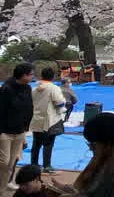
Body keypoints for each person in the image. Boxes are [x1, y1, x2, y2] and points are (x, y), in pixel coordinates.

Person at [0, 63, 36, 196]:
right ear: (24, 75)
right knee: (3, 162)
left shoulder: (27, 88)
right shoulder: (6, 89)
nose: (33, 77)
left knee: (12, 162)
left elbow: (29, 108)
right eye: (31, 74)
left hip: (20, 131)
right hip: (5, 131)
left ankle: (3, 189)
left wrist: (25, 129)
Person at [29, 68, 65, 176]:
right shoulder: (54, 88)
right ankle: (47, 166)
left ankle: (34, 165)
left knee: (36, 144)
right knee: (48, 144)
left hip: (36, 119)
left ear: (41, 75)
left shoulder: (34, 89)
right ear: (53, 76)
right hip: (50, 120)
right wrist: (63, 104)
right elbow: (59, 103)